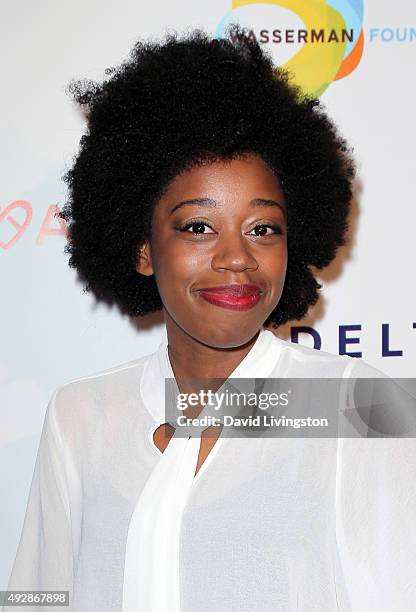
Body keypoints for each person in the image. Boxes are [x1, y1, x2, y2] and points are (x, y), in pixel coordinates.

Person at [4, 26, 416, 612]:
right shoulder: (81, 417)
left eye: (262, 228)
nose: (236, 258)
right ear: (144, 248)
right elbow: (36, 597)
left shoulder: (358, 407)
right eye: (198, 226)